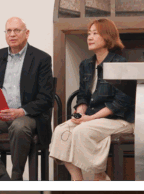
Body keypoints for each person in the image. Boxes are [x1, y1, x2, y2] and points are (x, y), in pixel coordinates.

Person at [0, 17, 54, 181]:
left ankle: (16, 176)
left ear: (26, 33)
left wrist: (20, 111)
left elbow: (46, 98)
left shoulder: (41, 59)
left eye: (17, 30)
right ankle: (1, 175)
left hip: (27, 116)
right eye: (8, 31)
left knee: (19, 127)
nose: (12, 34)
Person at [49, 18, 134, 181]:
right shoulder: (86, 65)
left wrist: (90, 119)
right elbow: (83, 95)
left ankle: (99, 175)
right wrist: (79, 113)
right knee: (61, 131)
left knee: (83, 131)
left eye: (95, 33)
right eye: (89, 34)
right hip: (93, 118)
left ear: (107, 37)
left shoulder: (120, 63)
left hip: (119, 119)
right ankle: (77, 178)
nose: (89, 37)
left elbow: (121, 102)